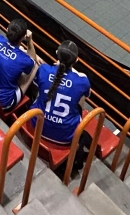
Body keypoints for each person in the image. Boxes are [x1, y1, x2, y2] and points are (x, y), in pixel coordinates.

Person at [31, 41, 92, 172]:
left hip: (37, 125)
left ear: (57, 54)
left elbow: (38, 86)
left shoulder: (44, 69)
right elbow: (87, 95)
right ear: (76, 60)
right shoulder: (82, 80)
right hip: (64, 136)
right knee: (79, 99)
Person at [0, 18, 39, 113]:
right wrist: (30, 41)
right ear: (23, 37)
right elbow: (32, 60)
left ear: (7, 29)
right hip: (3, 103)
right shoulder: (24, 60)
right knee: (35, 66)